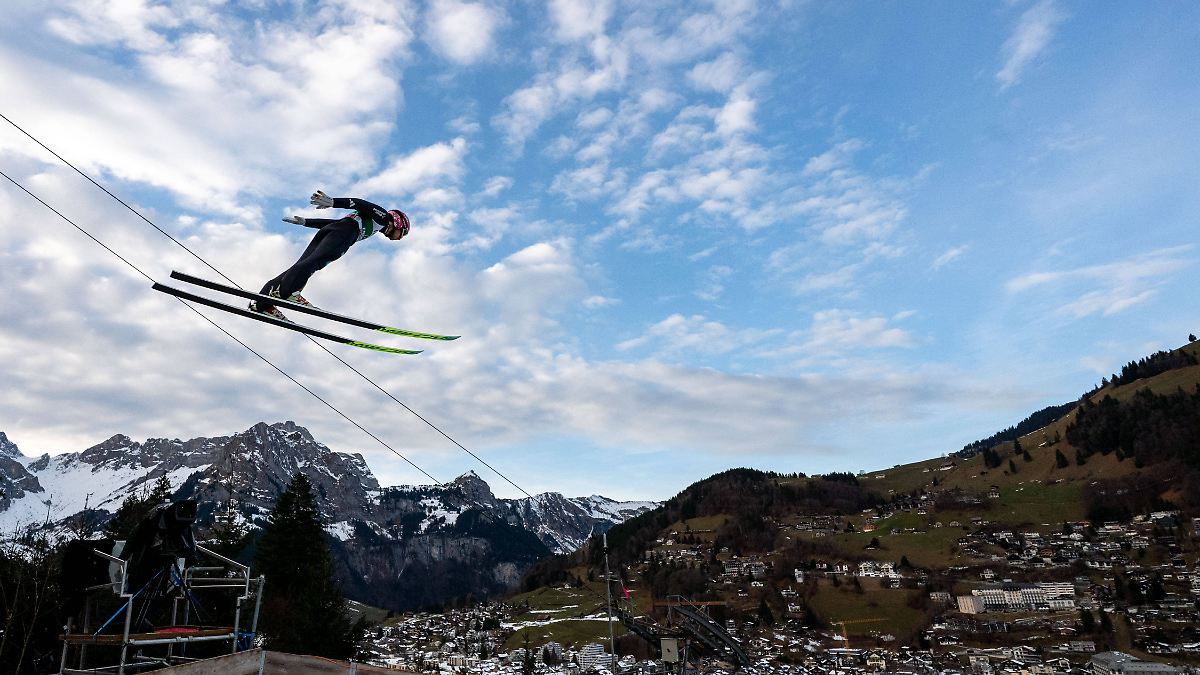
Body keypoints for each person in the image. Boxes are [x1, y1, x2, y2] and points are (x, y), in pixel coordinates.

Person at [251, 190, 410, 320]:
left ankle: (260, 303)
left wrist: (306, 222)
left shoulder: (373, 223)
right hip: (344, 234)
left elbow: (335, 223)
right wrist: (333, 202)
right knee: (315, 262)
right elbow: (359, 202)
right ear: (398, 222)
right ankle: (289, 292)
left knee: (302, 265)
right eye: (401, 233)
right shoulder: (382, 216)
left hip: (332, 229)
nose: (398, 238)